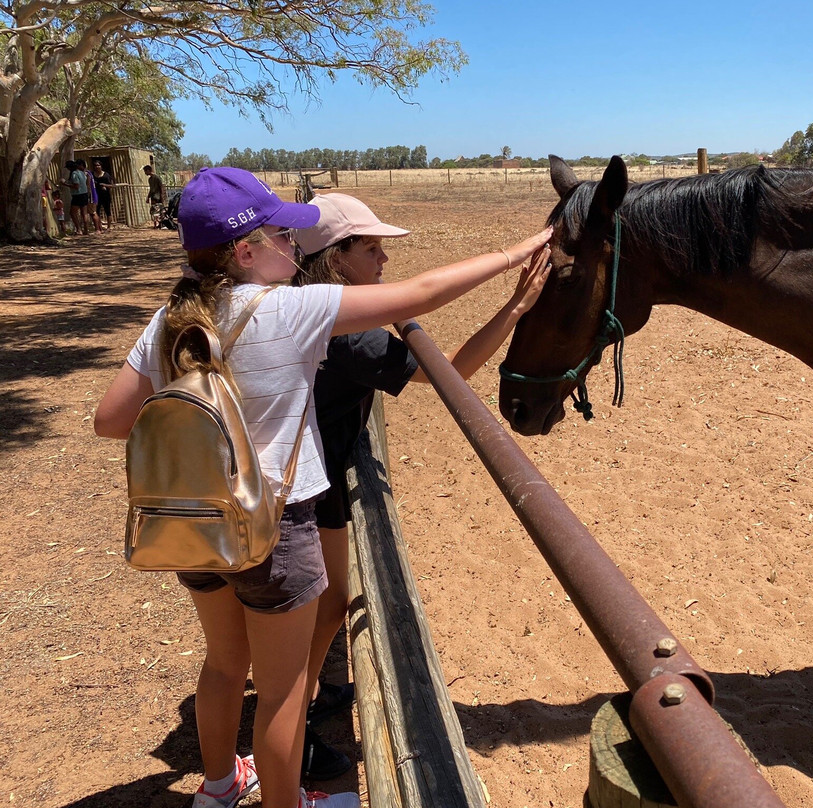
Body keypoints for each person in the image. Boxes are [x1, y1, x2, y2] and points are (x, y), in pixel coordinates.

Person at [94, 166, 551, 808]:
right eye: (283, 235)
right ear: (245, 251)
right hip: (277, 528)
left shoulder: (172, 320)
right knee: (282, 689)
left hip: (196, 526)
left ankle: (219, 788)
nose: (294, 247)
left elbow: (110, 421)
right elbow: (420, 293)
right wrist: (517, 253)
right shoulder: (293, 310)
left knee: (224, 664)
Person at [289, 193, 551, 779]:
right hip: (311, 483)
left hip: (308, 470)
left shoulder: (304, 304)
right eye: (372, 248)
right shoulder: (347, 334)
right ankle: (292, 722)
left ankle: (302, 692)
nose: (384, 259)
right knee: (324, 603)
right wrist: (513, 306)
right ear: (336, 258)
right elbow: (449, 370)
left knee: (320, 603)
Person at [63, 160, 88, 234]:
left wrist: (64, 184)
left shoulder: (74, 174)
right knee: (84, 213)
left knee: (72, 213)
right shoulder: (81, 172)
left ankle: (79, 229)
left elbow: (76, 186)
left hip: (78, 195)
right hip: (84, 193)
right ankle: (86, 229)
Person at [77, 159, 103, 233]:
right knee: (93, 212)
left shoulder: (86, 173)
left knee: (93, 212)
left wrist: (87, 195)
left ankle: (97, 229)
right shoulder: (89, 172)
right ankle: (99, 228)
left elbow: (88, 185)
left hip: (90, 195)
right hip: (92, 195)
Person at [93, 159, 115, 230]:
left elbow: (111, 185)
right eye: (96, 165)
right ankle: (99, 227)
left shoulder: (106, 175)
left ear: (101, 166)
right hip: (96, 196)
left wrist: (105, 185)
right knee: (97, 211)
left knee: (107, 211)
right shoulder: (92, 175)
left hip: (105, 196)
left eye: (98, 165)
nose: (97, 167)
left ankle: (109, 227)